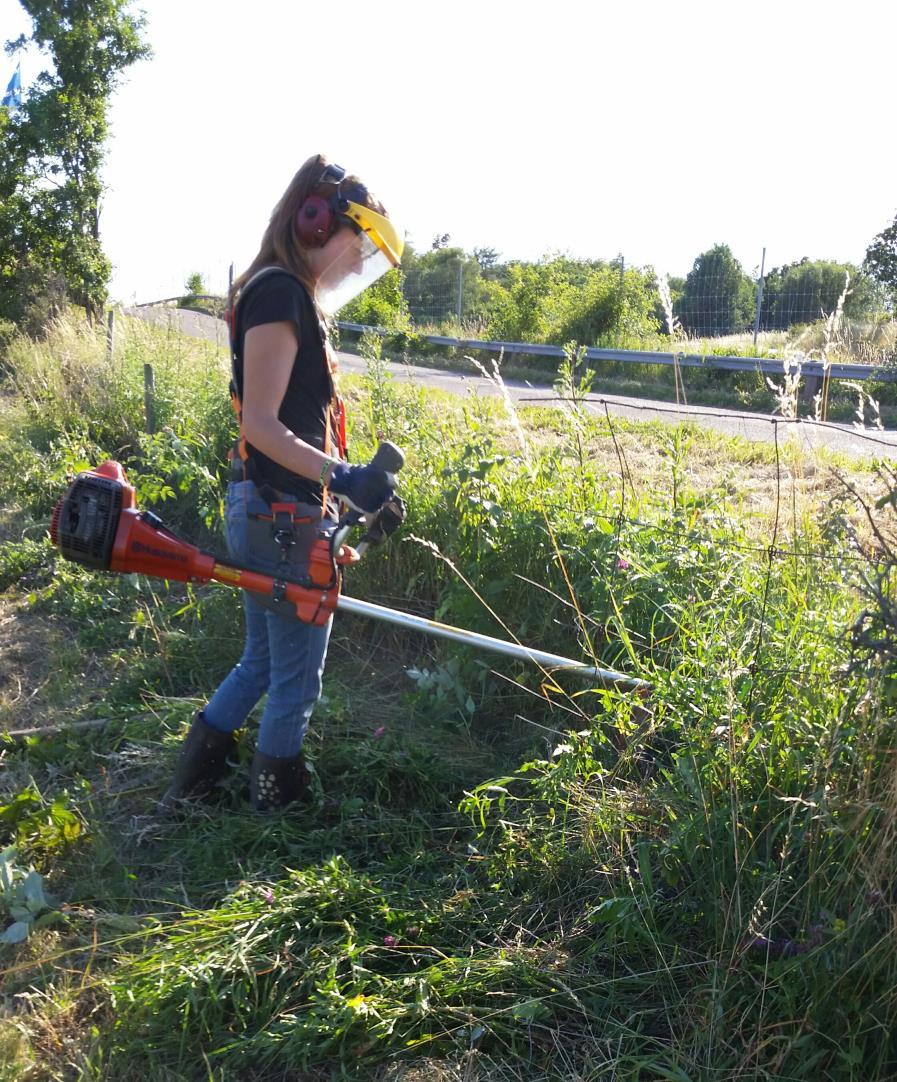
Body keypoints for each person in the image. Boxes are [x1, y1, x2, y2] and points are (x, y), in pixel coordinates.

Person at [161, 154, 404, 812]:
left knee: (263, 663)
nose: (358, 267)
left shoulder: (280, 292)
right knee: (295, 680)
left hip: (277, 509)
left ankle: (193, 786)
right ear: (317, 221)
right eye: (360, 248)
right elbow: (265, 427)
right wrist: (344, 476)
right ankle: (279, 815)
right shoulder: (278, 293)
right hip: (278, 513)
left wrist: (354, 489)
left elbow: (289, 425)